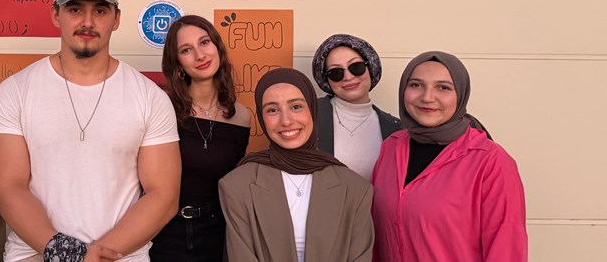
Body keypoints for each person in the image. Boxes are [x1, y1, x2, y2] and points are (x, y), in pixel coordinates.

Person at [0, 0, 181, 262]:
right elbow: (9, 187)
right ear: (56, 15)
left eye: (100, 11)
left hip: (121, 256)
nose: (87, 22)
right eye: (75, 9)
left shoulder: (150, 97)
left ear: (116, 19)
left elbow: (163, 195)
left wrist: (96, 256)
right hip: (34, 254)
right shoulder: (15, 91)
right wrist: (63, 253)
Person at [371, 51, 527, 261]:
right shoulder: (391, 147)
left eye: (443, 87)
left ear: (461, 94)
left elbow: (506, 251)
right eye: (416, 85)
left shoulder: (491, 162)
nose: (427, 97)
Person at [219, 68, 374, 262]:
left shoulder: (355, 189)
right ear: (261, 117)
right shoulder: (237, 186)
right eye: (272, 110)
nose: (286, 121)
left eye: (296, 107)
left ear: (312, 110)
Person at [150, 15, 251, 262]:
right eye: (186, 50)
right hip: (163, 231)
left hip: (217, 234)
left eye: (204, 42)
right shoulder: (162, 108)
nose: (200, 55)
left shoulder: (242, 116)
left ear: (217, 47)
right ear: (177, 63)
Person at [311, 34, 402, 180]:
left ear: (371, 67)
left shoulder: (396, 128)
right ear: (326, 80)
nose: (348, 77)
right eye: (336, 72)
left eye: (356, 67)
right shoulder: (308, 115)